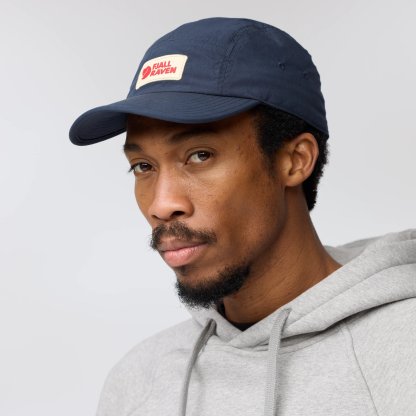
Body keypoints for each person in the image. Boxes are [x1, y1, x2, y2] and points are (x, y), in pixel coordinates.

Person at [69, 17, 416, 416]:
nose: (161, 205)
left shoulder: (403, 353)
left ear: (295, 160)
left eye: (200, 155)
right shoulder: (138, 381)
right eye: (143, 166)